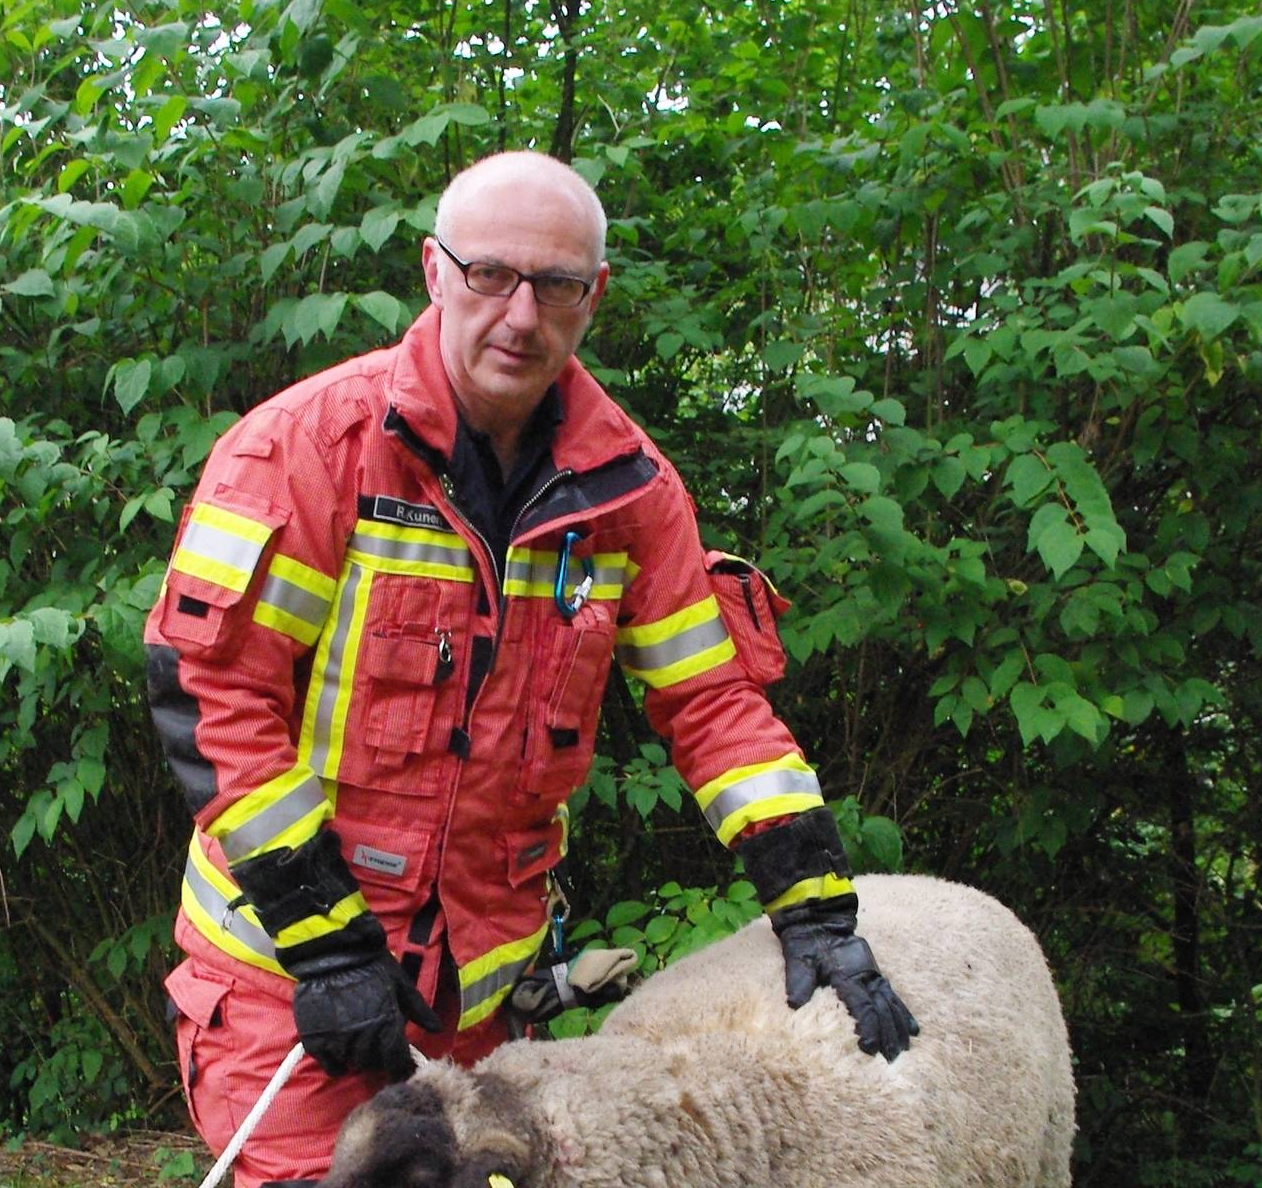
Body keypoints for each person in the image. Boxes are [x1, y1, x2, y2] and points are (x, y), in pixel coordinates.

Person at [144, 151, 916, 1187]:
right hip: (290, 991)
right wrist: (324, 940)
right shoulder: (305, 448)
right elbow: (209, 691)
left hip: (481, 1010)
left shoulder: (629, 492)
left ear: (592, 297)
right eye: (489, 275)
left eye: (554, 285)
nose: (520, 314)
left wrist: (813, 899)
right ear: (433, 271)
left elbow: (712, 701)